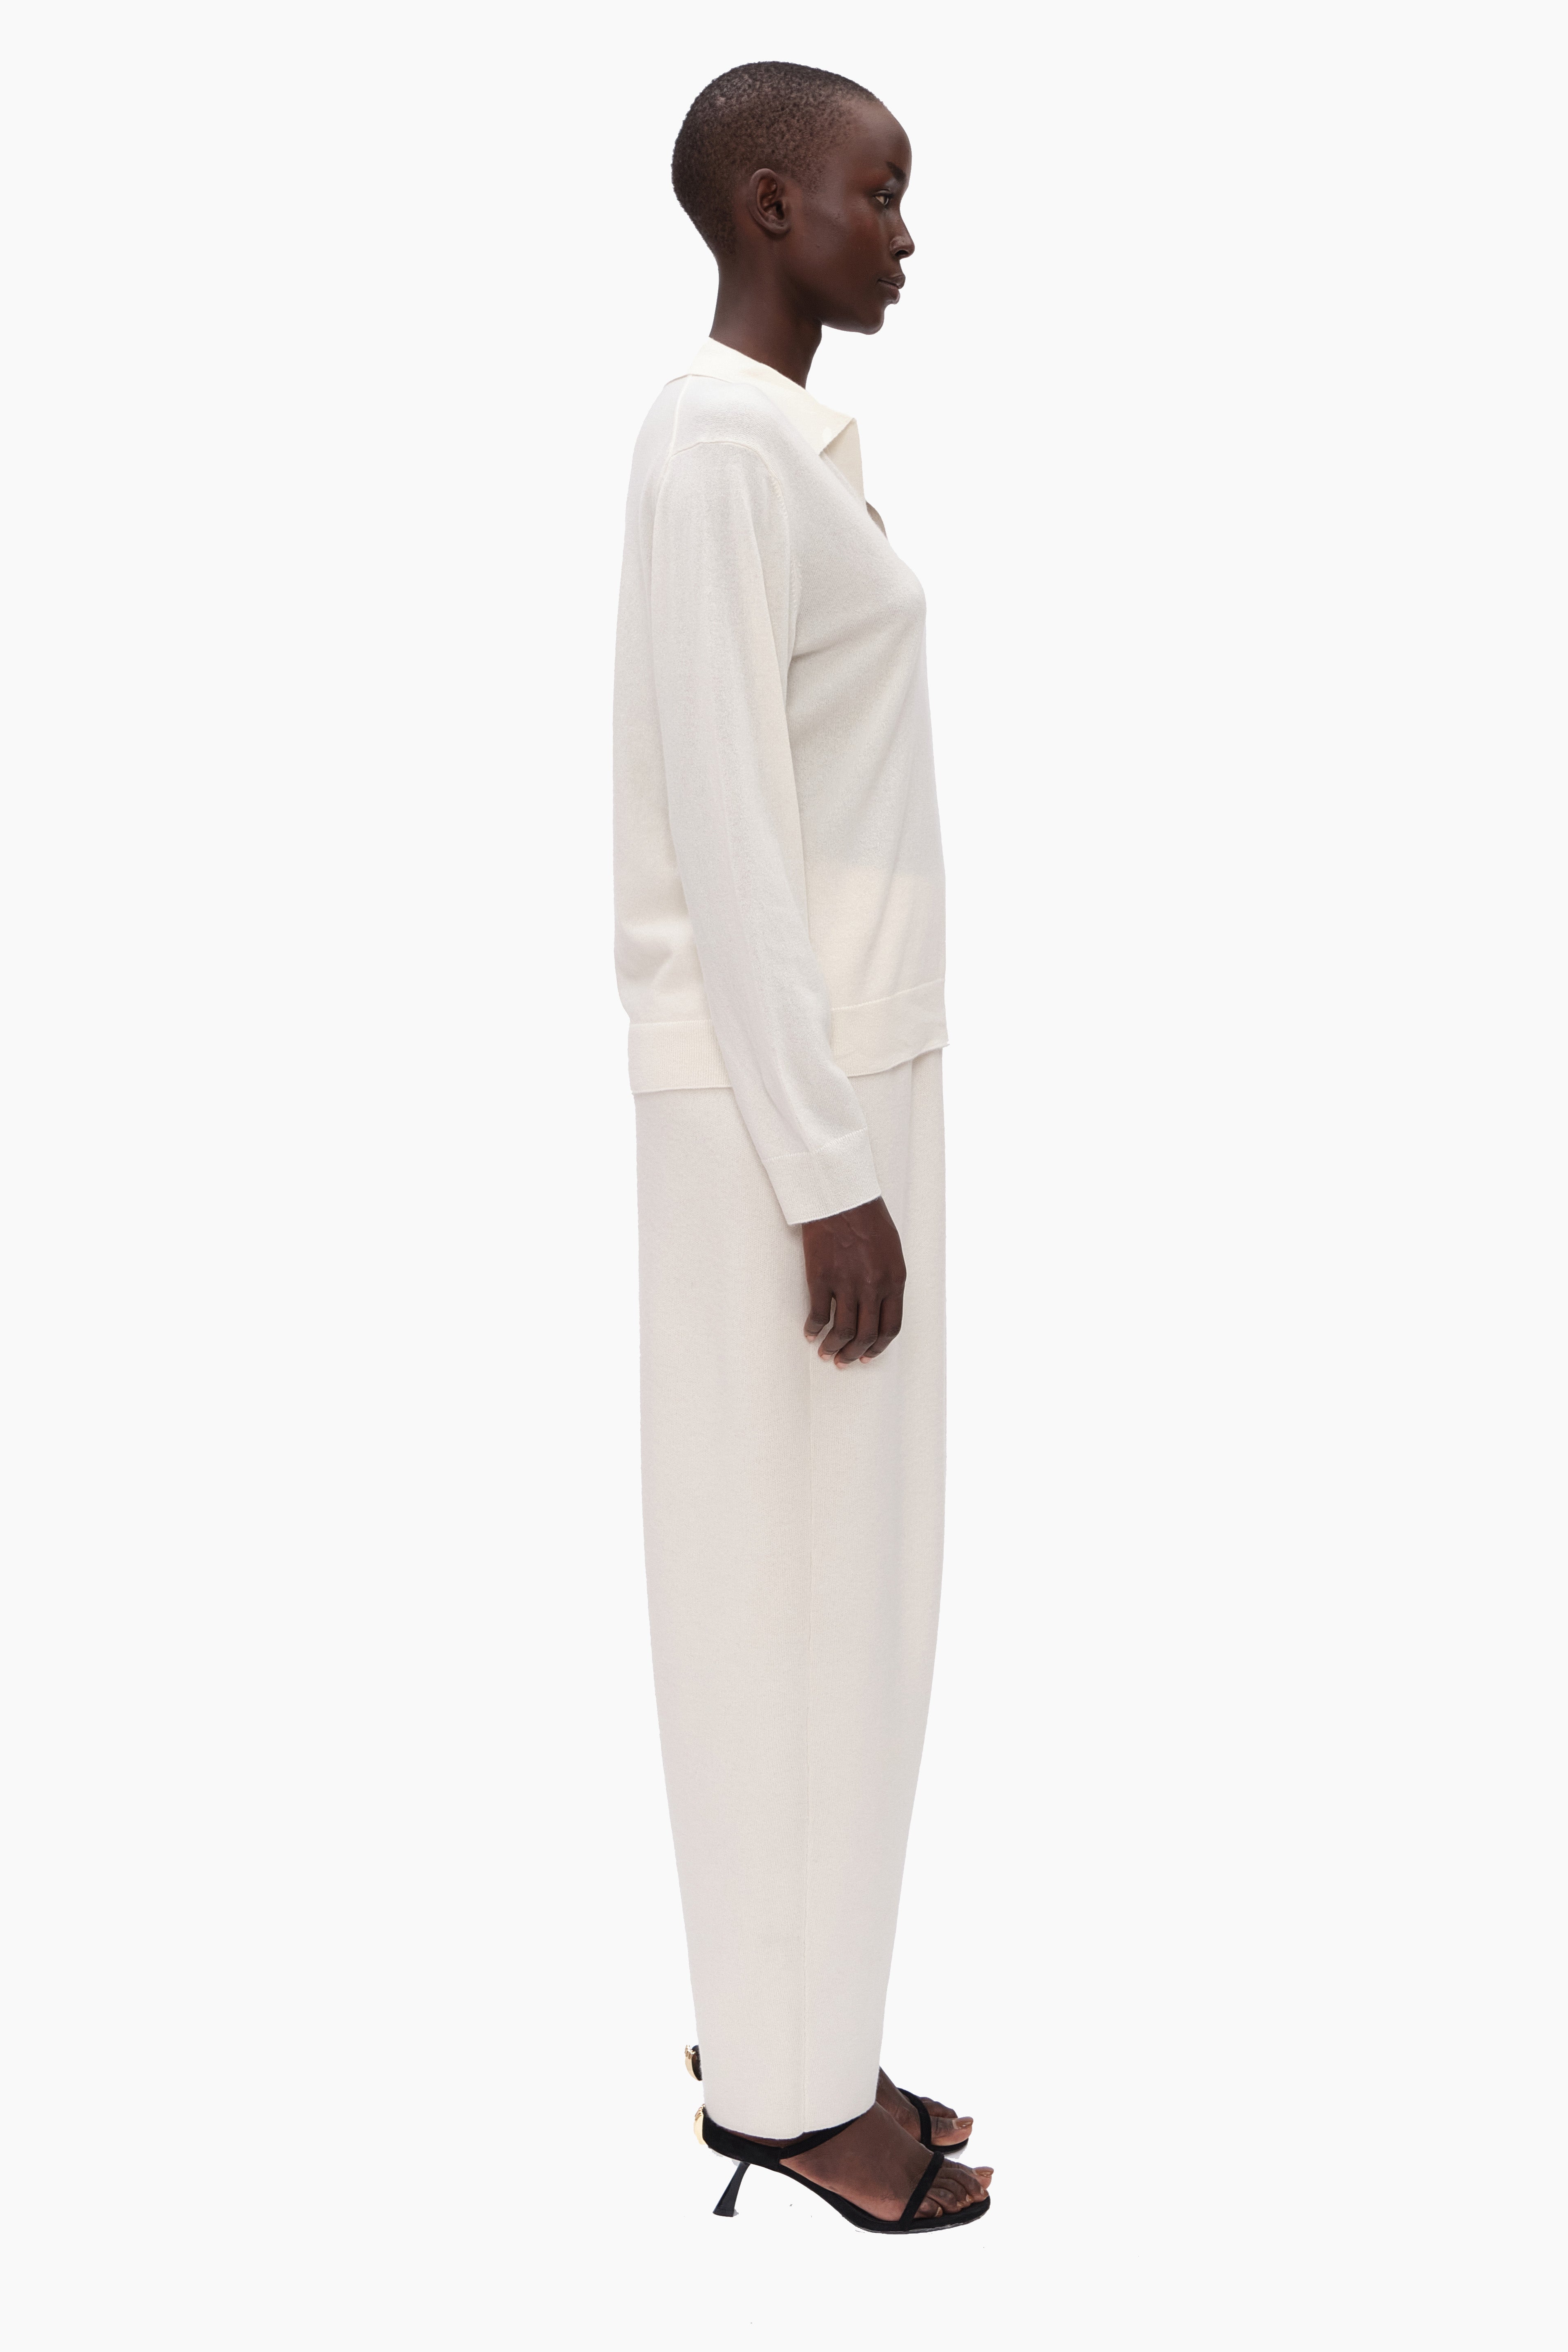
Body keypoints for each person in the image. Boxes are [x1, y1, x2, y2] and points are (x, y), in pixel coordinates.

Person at [613, 60, 992, 2234]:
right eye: (877, 192)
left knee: (853, 1590)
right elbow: (728, 828)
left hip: (849, 1076)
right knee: (780, 1593)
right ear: (770, 208)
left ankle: (807, 2021)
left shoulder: (779, 451)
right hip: (795, 1111)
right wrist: (822, 1165)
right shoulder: (714, 449)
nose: (905, 234)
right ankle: (777, 2090)